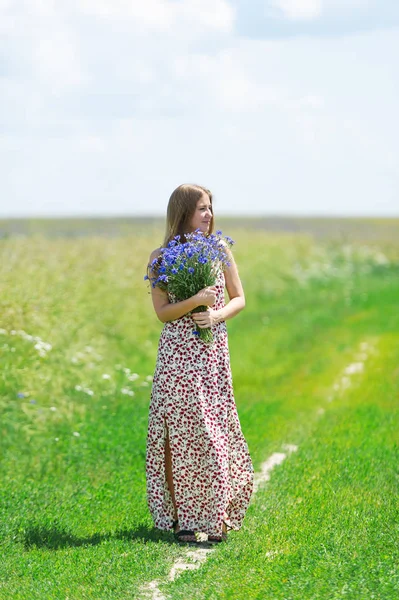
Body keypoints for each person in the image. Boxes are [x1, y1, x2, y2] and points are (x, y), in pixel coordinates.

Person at [145, 183, 254, 543]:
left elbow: (239, 299)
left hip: (211, 355)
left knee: (213, 431)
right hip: (176, 357)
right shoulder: (161, 257)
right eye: (201, 209)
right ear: (182, 213)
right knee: (180, 435)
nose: (208, 215)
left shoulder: (219, 249)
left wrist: (217, 315)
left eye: (210, 208)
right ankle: (186, 522)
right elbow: (162, 313)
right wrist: (195, 301)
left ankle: (217, 517)